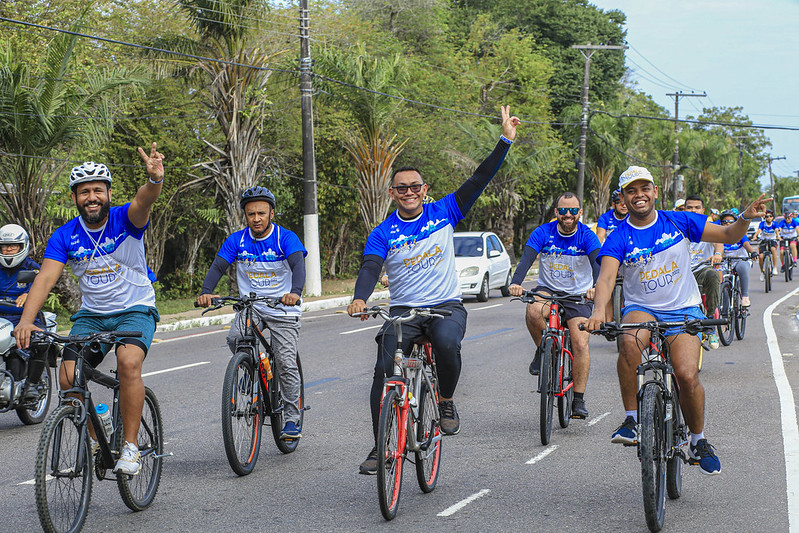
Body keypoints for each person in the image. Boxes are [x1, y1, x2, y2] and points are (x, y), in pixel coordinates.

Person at [347, 105, 520, 475]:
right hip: (404, 311)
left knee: (445, 343)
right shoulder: (383, 232)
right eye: (401, 188)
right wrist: (360, 297)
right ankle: (380, 446)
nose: (409, 192)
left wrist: (504, 141)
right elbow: (370, 266)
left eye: (415, 186)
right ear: (392, 193)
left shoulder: (445, 211)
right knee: (382, 370)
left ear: (425, 190)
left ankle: (445, 400)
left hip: (445, 306)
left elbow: (479, 178)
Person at [586, 165, 771, 475]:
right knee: (629, 343)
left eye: (644, 188)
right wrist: (596, 313)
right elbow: (605, 281)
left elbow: (727, 234)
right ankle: (632, 419)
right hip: (641, 308)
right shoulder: (618, 237)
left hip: (683, 308)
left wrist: (744, 218)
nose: (639, 195)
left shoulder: (679, 220)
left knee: (687, 375)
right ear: (623, 198)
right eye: (631, 191)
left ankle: (698, 441)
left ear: (655, 191)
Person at [15, 144, 165, 476]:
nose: (92, 196)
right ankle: (99, 436)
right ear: (75, 198)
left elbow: (144, 201)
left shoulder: (125, 219)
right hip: (93, 314)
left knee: (128, 364)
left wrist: (154, 180)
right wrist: (27, 320)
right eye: (85, 192)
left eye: (98, 190)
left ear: (109, 194)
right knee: (68, 377)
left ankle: (129, 445)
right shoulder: (65, 235)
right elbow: (45, 279)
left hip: (135, 308)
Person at [196, 186, 306, 440]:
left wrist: (295, 292)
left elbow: (298, 264)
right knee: (235, 338)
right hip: (252, 306)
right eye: (251, 214)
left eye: (261, 213)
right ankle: (250, 369)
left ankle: (291, 417)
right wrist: (206, 291)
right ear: (244, 215)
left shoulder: (285, 238)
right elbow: (218, 266)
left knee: (286, 362)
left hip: (283, 307)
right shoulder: (237, 240)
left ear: (271, 213)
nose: (256, 218)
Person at [507, 192, 600, 419]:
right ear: (556, 212)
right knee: (533, 310)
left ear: (579, 212)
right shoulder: (543, 232)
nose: (568, 215)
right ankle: (543, 350)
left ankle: (578, 399)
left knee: (579, 343)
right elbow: (527, 258)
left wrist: (596, 286)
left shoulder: (587, 236)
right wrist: (516, 282)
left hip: (577, 295)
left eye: (572, 211)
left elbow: (598, 264)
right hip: (548, 291)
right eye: (563, 210)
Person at [683, 195, 723, 349]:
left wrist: (718, 254)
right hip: (681, 274)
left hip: (701, 270)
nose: (693, 210)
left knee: (712, 275)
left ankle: (711, 322)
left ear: (703, 210)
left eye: (697, 207)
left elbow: (719, 242)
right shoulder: (678, 225)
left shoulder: (708, 225)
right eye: (689, 207)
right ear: (684, 209)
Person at [0, 224, 41, 327]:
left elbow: (40, 286)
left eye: (14, 245)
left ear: (22, 246)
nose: (8, 249)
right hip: (1, 317)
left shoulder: (31, 267)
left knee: (39, 339)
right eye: (4, 245)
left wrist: (28, 294)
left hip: (24, 318)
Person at [718, 209, 757, 308]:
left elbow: (746, 244)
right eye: (724, 222)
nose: (727, 224)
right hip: (723, 262)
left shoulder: (739, 233)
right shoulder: (718, 234)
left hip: (740, 260)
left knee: (742, 268)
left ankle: (745, 296)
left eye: (731, 222)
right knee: (718, 275)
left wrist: (752, 252)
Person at [754, 208, 780, 280]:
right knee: (761, 256)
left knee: (773, 249)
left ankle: (774, 268)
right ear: (765, 217)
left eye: (770, 216)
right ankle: (762, 272)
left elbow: (776, 230)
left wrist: (778, 235)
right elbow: (759, 230)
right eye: (767, 216)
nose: (769, 218)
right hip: (764, 240)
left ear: (773, 217)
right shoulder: (762, 224)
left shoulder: (775, 223)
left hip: (772, 240)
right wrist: (755, 236)